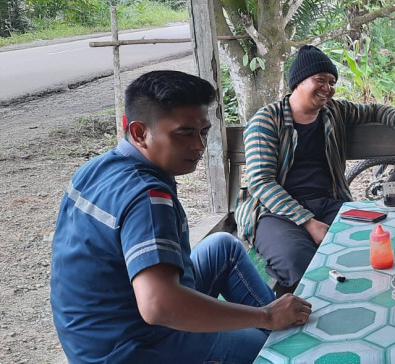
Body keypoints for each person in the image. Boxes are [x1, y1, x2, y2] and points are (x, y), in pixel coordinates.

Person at [50, 70, 312, 363]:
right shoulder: (148, 197)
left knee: (222, 247)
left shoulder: (95, 168)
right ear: (139, 132)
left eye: (203, 132)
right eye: (184, 133)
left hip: (96, 333)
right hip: (131, 347)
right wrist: (264, 315)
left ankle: (278, 328)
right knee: (277, 354)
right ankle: (280, 340)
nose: (199, 145)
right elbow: (158, 306)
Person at [235, 44, 395, 294]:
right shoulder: (267, 121)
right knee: (297, 260)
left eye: (332, 81)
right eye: (320, 80)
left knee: (376, 239)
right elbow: (261, 182)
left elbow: (375, 109)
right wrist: (308, 223)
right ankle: (293, 312)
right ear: (299, 82)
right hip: (274, 213)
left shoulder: (333, 112)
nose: (328, 88)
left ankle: (362, 301)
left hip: (329, 203)